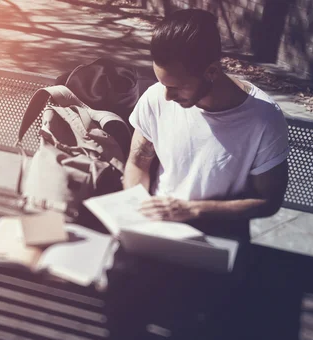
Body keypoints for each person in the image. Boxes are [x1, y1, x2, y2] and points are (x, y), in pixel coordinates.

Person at [124, 9, 289, 240]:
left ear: (211, 71)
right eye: (162, 83)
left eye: (177, 86)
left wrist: (191, 210)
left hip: (218, 229)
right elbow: (137, 162)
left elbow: (268, 201)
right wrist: (135, 211)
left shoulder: (264, 118)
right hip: (158, 222)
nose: (167, 96)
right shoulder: (155, 97)